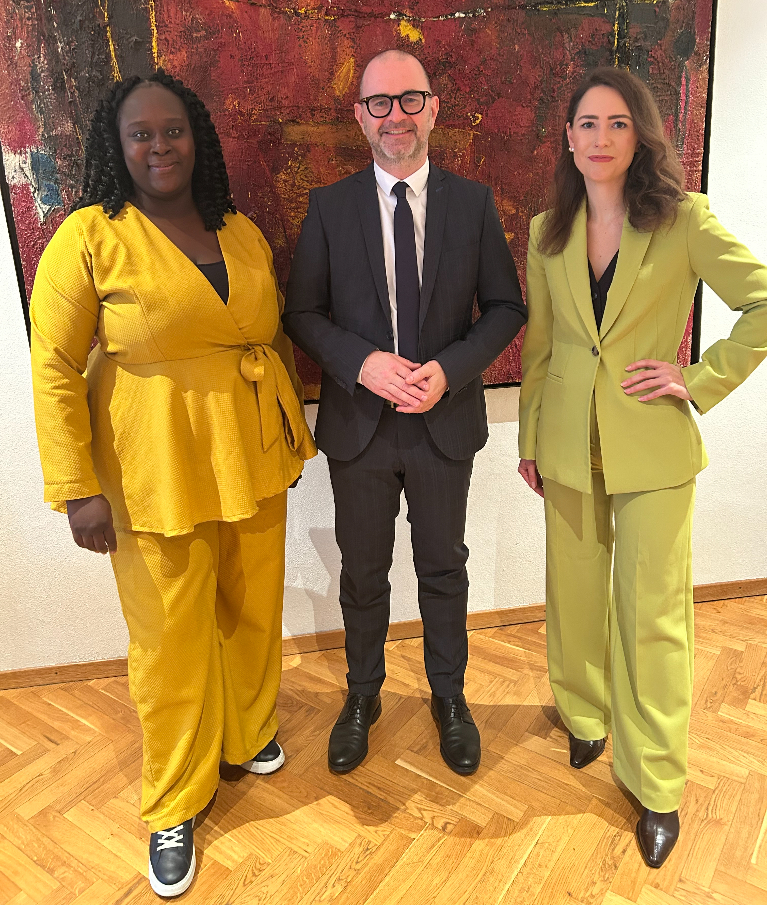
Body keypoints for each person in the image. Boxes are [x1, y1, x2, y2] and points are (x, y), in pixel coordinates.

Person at [29, 69, 316, 898]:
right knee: (170, 640)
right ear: (115, 148)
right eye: (141, 133)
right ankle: (173, 802)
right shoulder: (90, 235)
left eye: (173, 130)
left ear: (198, 139)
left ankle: (246, 735)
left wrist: (290, 430)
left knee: (252, 608)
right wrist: (76, 485)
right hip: (152, 465)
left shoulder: (239, 229)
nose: (160, 146)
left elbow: (268, 335)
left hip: (250, 452)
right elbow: (53, 365)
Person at [517, 65, 767, 868]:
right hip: (566, 443)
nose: (601, 138)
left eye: (617, 123)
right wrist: (528, 439)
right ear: (567, 138)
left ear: (640, 136)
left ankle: (656, 780)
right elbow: (542, 346)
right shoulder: (546, 231)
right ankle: (585, 716)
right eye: (587, 123)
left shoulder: (683, 220)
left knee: (652, 614)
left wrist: (696, 378)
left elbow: (761, 302)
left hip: (653, 448)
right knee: (573, 594)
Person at [283, 49, 526, 777]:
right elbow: (302, 313)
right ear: (360, 116)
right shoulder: (328, 207)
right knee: (363, 573)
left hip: (442, 427)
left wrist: (449, 370)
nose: (397, 116)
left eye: (410, 99)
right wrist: (361, 362)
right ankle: (362, 696)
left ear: (433, 108)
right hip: (359, 430)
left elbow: (505, 306)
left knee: (443, 567)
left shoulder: (472, 204)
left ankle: (449, 697)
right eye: (380, 103)